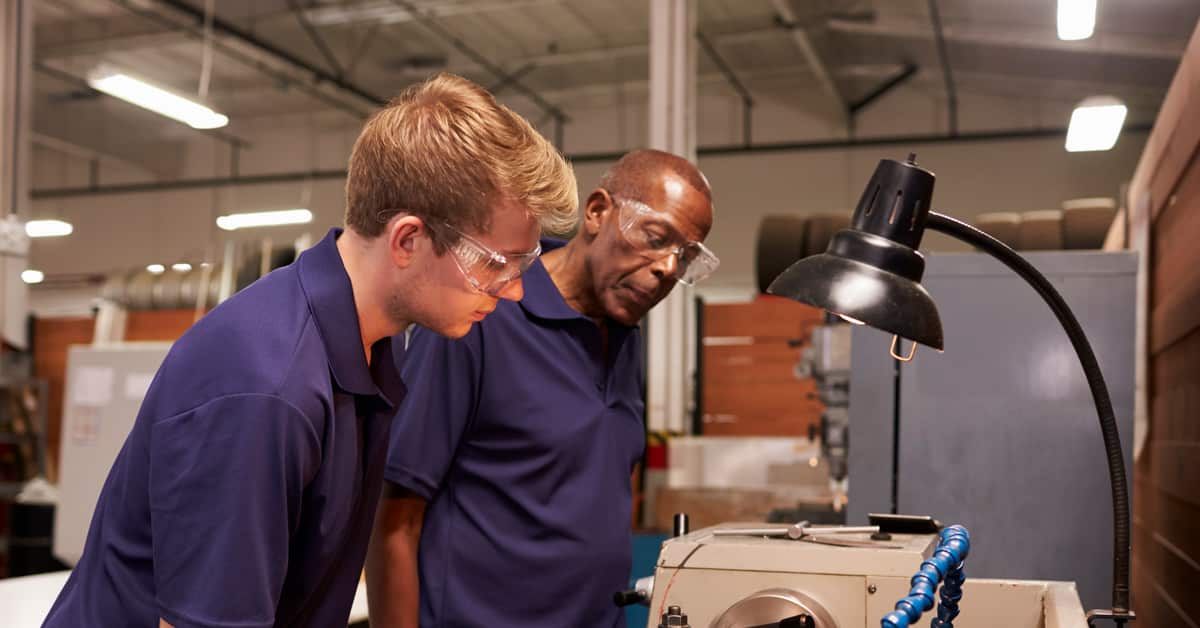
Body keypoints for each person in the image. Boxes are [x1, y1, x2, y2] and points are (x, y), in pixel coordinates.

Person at [43, 73, 577, 628]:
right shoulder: (268, 383)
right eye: (496, 262)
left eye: (523, 264)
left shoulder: (364, 347)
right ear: (408, 240)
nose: (513, 289)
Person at [366, 149, 718, 627]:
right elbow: (393, 522)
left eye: (686, 259)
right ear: (597, 212)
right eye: (656, 239)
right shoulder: (477, 320)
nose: (667, 269)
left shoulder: (624, 337)